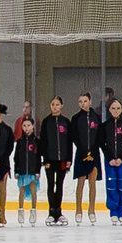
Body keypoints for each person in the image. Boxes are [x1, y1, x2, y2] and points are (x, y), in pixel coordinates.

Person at [38, 97, 72, 226]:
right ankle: (52, 212)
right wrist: (45, 159)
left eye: (57, 104)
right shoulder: (46, 122)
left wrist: (69, 159)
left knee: (60, 185)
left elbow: (69, 142)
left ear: (62, 105)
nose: (55, 107)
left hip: (62, 159)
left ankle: (59, 211)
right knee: (51, 184)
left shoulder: (66, 122)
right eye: (53, 104)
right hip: (50, 160)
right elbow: (43, 142)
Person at [69, 94, 102, 225]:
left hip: (94, 153)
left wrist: (92, 151)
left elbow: (99, 136)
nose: (83, 103)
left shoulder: (97, 117)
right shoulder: (75, 118)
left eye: (85, 101)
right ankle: (78, 210)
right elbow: (74, 136)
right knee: (81, 182)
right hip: (81, 153)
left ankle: (91, 210)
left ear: (90, 102)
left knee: (92, 183)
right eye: (80, 101)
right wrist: (84, 151)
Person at [102, 97, 122, 225]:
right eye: (113, 108)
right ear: (109, 110)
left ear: (121, 110)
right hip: (109, 161)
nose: (115, 111)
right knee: (111, 184)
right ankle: (113, 210)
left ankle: (121, 210)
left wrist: (121, 158)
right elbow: (102, 143)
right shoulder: (105, 126)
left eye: (118, 108)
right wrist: (110, 158)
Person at [12, 110, 40, 222]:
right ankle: (20, 210)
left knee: (33, 190)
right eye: (24, 126)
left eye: (28, 125)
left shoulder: (36, 141)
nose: (26, 128)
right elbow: (16, 157)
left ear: (32, 126)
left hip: (33, 171)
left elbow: (38, 157)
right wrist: (16, 170)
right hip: (22, 171)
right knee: (22, 190)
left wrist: (37, 171)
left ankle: (33, 211)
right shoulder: (20, 142)